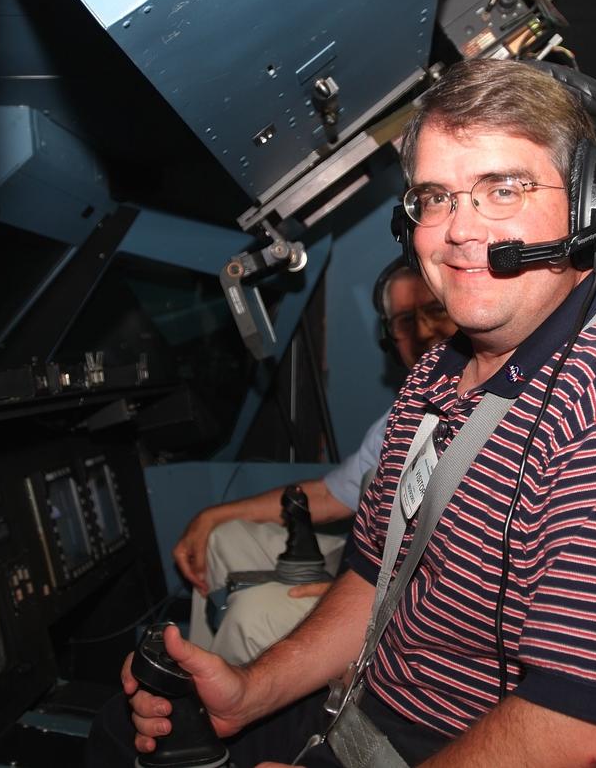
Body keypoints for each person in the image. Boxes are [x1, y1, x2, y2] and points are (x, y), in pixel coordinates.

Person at [88, 58, 596, 767]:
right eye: (435, 197)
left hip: (453, 747)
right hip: (364, 715)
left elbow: (588, 721)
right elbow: (373, 582)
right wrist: (250, 690)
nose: (458, 231)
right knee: (122, 733)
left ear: (587, 204)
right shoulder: (436, 374)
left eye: (501, 188)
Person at [178, 258, 457, 664]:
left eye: (434, 310)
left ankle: (222, 712)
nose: (423, 330)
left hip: (415, 607)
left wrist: (354, 596)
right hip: (369, 568)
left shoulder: (494, 418)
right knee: (222, 540)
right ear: (389, 340)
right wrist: (213, 516)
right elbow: (329, 496)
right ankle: (196, 677)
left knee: (250, 615)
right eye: (404, 320)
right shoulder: (406, 414)